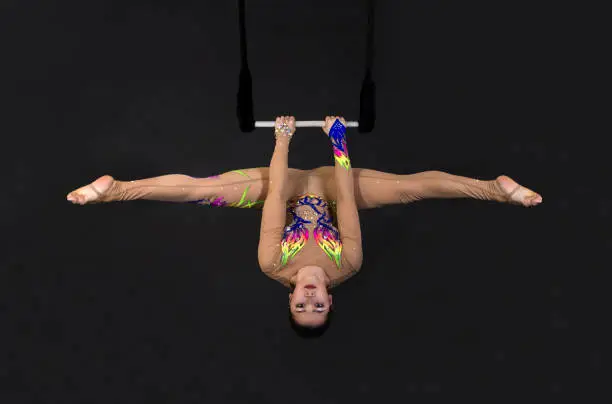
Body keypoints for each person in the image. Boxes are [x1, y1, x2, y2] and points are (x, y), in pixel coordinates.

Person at [67, 116, 543, 337]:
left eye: (301, 305)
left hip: (287, 184)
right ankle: (495, 189)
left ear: (291, 298)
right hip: (337, 190)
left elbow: (275, 195)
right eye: (318, 306)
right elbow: (350, 212)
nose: (310, 298)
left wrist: (282, 140)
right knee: (410, 188)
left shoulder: (272, 263)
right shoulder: (349, 264)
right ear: (330, 300)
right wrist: (338, 143)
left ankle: (115, 189)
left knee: (199, 191)